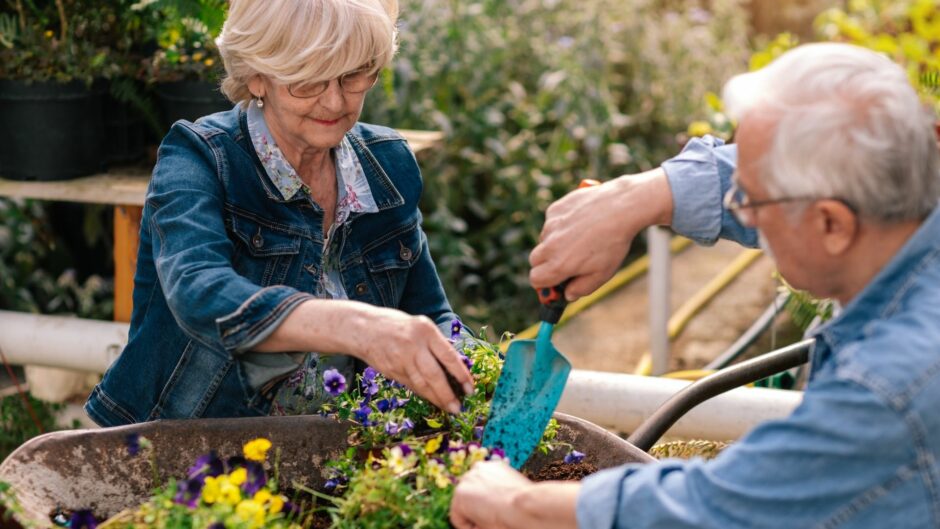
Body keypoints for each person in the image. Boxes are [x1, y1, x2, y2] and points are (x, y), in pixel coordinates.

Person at [450, 42, 940, 529]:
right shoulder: (910, 190)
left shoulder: (887, 388)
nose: (740, 214)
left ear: (832, 225)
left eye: (750, 203)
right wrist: (644, 194)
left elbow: (724, 509)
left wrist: (516, 504)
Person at [85, 0, 473, 427]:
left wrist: (479, 371)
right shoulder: (199, 158)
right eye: (307, 80)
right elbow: (199, 292)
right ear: (257, 76)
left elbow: (432, 313)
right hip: (186, 448)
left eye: (353, 75)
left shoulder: (388, 164)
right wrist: (358, 326)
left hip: (335, 452)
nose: (334, 100)